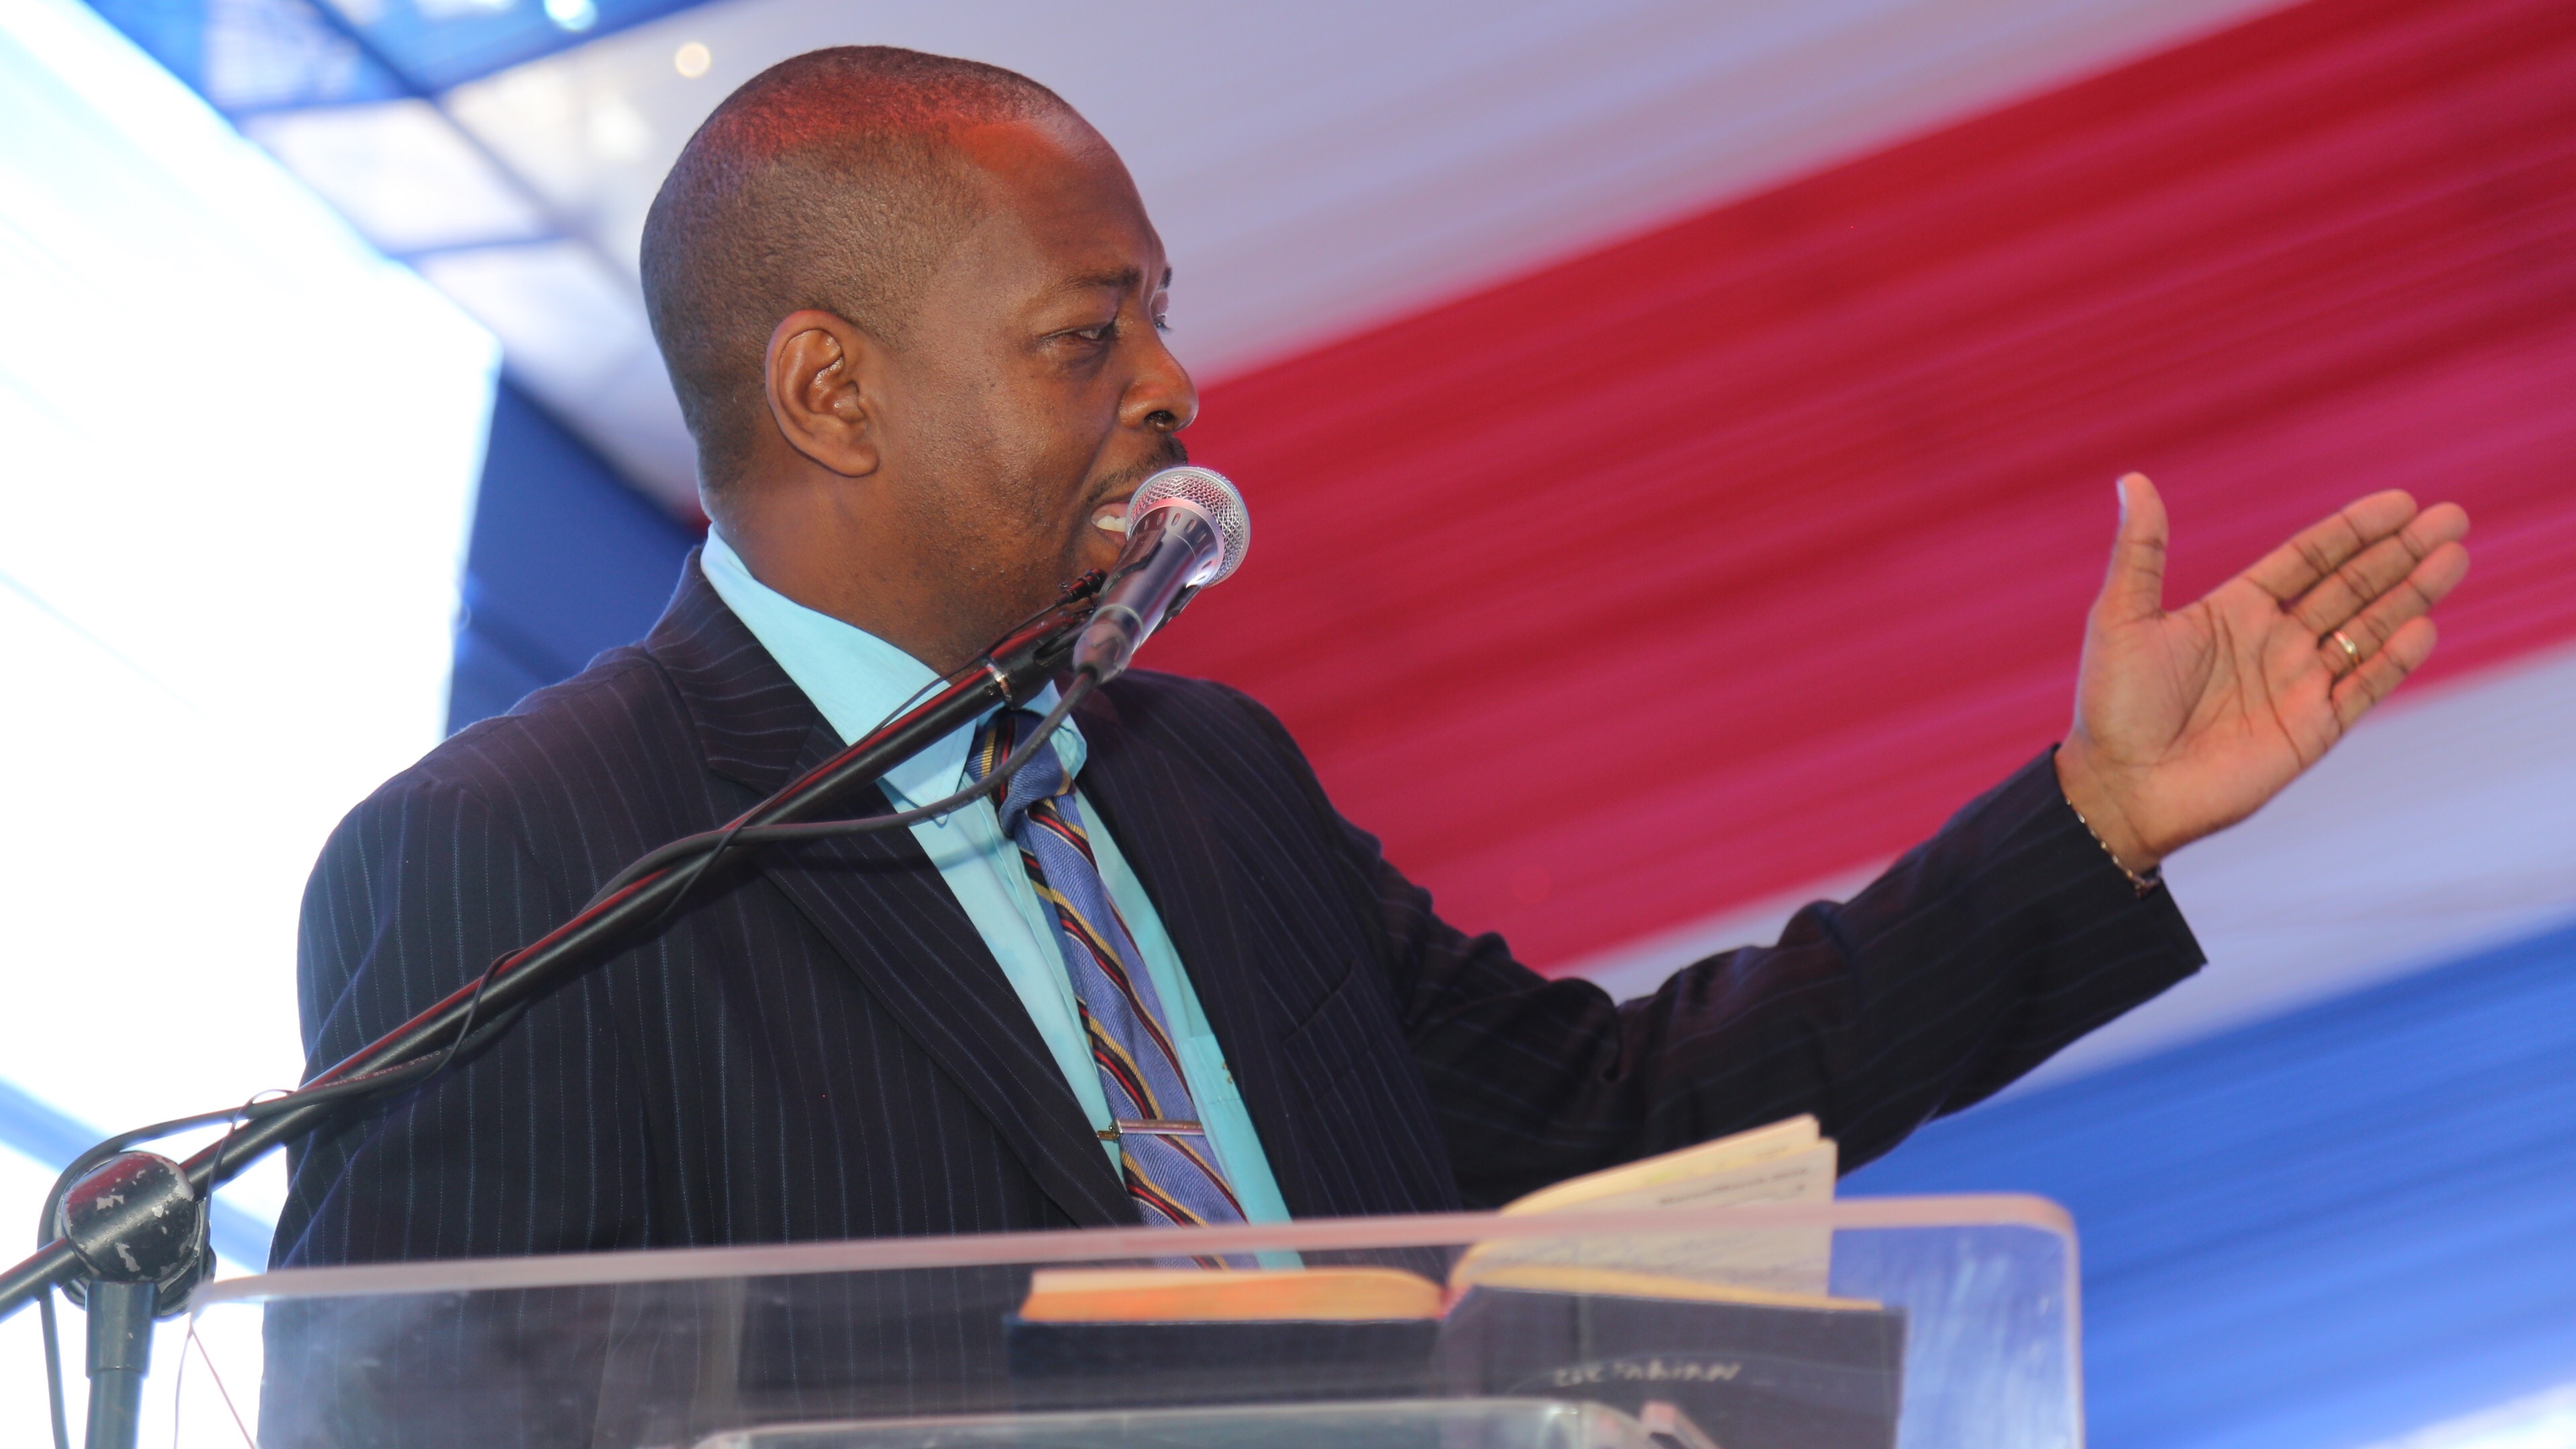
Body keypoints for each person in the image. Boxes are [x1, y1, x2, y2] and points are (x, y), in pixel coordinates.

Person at [274, 46, 2469, 1273]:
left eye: (1156, 314)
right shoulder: (521, 856)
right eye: (1087, 334)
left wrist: (2091, 825)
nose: (1174, 384)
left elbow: (1609, 1125)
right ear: (833, 394)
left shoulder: (1204, 779)